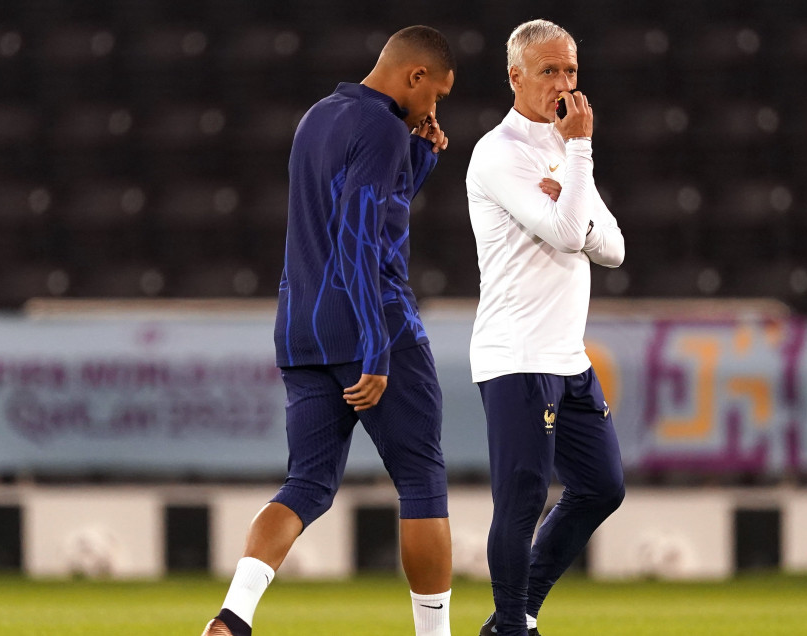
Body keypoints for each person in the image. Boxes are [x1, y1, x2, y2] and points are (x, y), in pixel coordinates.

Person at [201, 25, 456, 636]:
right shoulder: (383, 127)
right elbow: (360, 236)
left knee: (306, 484)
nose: (434, 108)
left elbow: (356, 210)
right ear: (414, 76)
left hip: (300, 329)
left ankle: (233, 616)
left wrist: (419, 158)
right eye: (437, 94)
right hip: (374, 326)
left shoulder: (318, 116)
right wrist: (375, 346)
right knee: (422, 481)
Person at [465, 19, 626, 636]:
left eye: (571, 71)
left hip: (567, 356)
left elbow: (612, 247)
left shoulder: (563, 148)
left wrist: (573, 186)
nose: (563, 84)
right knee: (523, 501)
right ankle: (512, 625)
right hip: (518, 354)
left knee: (602, 486)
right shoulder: (498, 153)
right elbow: (566, 233)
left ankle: (515, 614)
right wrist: (580, 160)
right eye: (549, 71)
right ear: (515, 77)